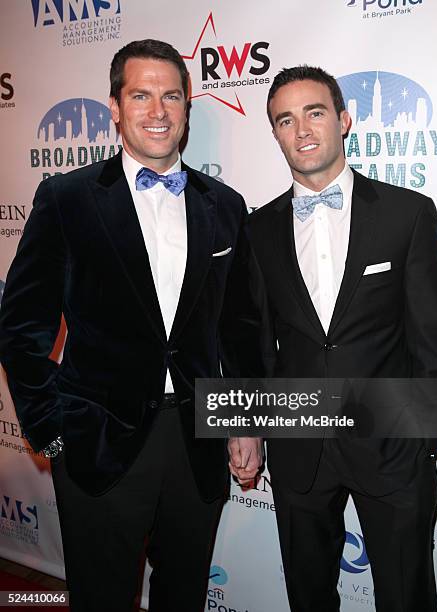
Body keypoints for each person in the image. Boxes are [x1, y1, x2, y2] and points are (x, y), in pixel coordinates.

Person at [0, 39, 262, 612]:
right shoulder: (66, 198)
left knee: (183, 595)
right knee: (102, 597)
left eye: (172, 95)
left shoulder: (226, 205)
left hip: (197, 440)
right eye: (141, 95)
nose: (158, 110)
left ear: (188, 106)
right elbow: (21, 326)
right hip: (96, 441)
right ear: (115, 107)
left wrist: (246, 423)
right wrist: (52, 432)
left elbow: (239, 331)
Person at [247, 65, 437, 612]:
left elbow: (432, 334)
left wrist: (426, 436)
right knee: (308, 597)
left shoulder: (408, 215)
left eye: (314, 112)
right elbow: (258, 342)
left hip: (391, 447)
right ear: (276, 134)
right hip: (298, 447)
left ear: (343, 119)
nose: (302, 129)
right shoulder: (257, 231)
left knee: (407, 597)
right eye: (285, 119)